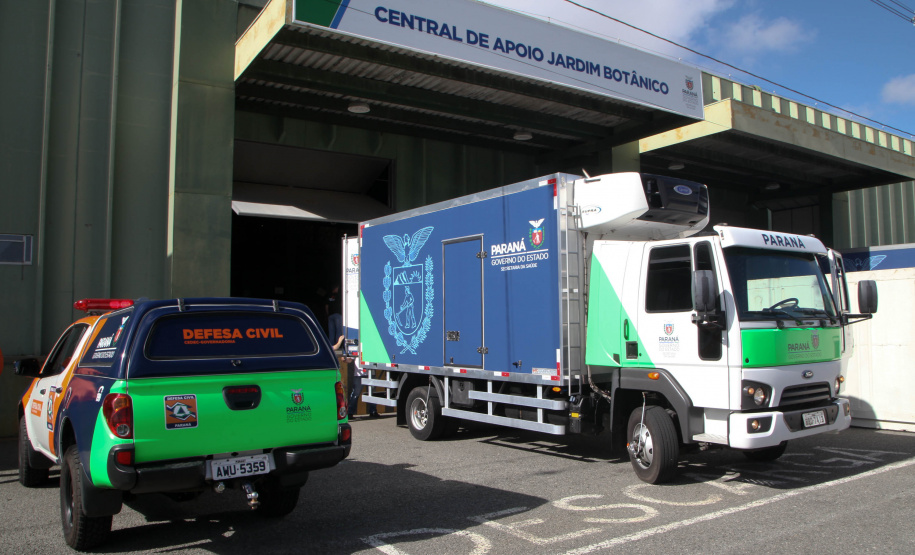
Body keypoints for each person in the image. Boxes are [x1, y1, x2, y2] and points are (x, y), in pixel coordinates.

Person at [334, 335, 378, 418]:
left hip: (370, 372)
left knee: (371, 393)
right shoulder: (357, 347)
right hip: (359, 374)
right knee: (356, 393)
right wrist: (345, 359)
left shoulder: (372, 347)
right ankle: (350, 412)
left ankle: (373, 411)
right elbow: (350, 359)